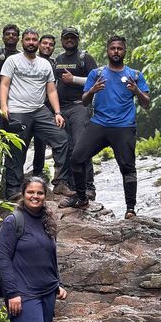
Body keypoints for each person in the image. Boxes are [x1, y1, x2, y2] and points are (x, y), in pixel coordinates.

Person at [68, 35, 150, 217]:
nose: (116, 52)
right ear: (107, 51)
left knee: (128, 168)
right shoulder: (96, 74)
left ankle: (130, 209)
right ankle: (81, 198)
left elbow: (146, 103)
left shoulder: (135, 75)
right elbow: (84, 102)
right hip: (99, 124)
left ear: (125, 51)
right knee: (76, 158)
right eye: (112, 48)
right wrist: (92, 91)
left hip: (124, 127)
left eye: (119, 49)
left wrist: (136, 91)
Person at [0, 176, 67, 322]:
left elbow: (49, 256)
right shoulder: (13, 221)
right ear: (23, 194)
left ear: (45, 196)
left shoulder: (47, 220)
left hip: (46, 292)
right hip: (23, 294)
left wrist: (57, 284)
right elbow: (3, 259)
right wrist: (12, 294)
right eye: (31, 192)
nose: (35, 196)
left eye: (39, 193)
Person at [0, 28, 75, 199]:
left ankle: (61, 183)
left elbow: (51, 90)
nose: (31, 42)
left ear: (38, 43)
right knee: (16, 149)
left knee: (61, 138)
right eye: (28, 39)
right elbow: (4, 84)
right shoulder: (12, 61)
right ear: (22, 42)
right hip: (18, 110)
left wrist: (57, 112)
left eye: (34, 39)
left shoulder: (45, 64)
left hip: (39, 110)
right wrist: (4, 106)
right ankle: (13, 189)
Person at [54, 27, 98, 206]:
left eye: (73, 38)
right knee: (67, 147)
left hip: (80, 107)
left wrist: (75, 80)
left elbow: (97, 80)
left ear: (77, 39)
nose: (69, 40)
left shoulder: (85, 58)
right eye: (66, 38)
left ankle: (89, 187)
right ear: (62, 40)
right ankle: (72, 186)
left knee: (82, 147)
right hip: (61, 110)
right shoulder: (58, 59)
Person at [32, 34, 56, 178]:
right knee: (36, 143)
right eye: (44, 43)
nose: (47, 46)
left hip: (51, 107)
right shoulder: (29, 60)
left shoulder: (56, 63)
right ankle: (36, 174)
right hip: (30, 106)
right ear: (39, 45)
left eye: (51, 44)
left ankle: (59, 179)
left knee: (54, 141)